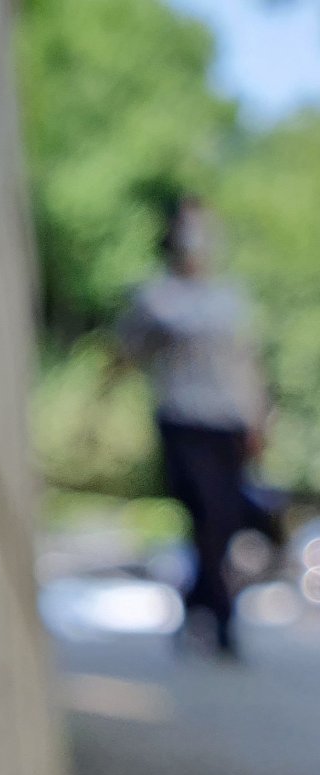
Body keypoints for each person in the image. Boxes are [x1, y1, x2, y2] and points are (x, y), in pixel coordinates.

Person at [117, 195, 270, 659]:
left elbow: (250, 367)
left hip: (229, 425)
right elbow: (127, 353)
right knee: (204, 516)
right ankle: (222, 622)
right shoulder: (156, 296)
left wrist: (260, 419)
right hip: (183, 423)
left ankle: (198, 607)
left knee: (222, 522)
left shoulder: (231, 299)